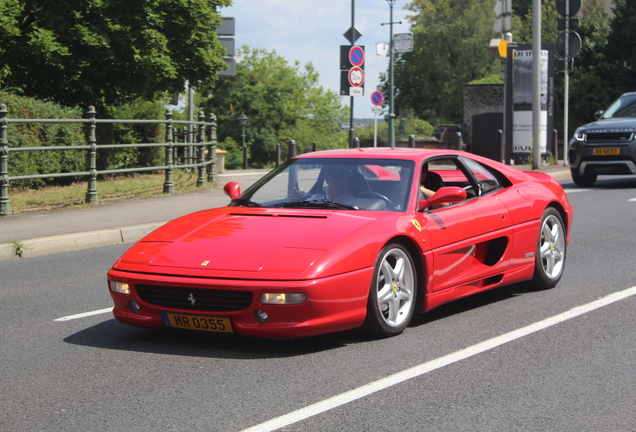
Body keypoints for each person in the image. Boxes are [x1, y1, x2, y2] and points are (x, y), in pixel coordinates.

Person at [289, 165, 354, 202]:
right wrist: (293, 199)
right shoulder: (316, 198)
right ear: (327, 178)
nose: (344, 180)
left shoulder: (353, 202)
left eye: (347, 176)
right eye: (338, 176)